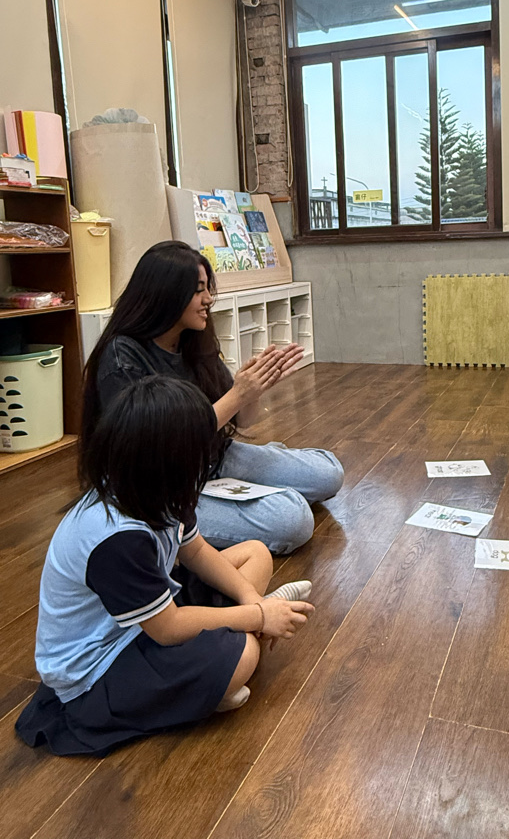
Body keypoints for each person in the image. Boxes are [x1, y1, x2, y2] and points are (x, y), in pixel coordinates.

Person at [16, 377, 315, 756]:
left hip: (143, 620)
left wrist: (253, 600)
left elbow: (197, 552)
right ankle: (204, 689)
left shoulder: (159, 490)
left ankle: (206, 681)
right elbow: (168, 628)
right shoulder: (115, 538)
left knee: (256, 553)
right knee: (244, 654)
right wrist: (258, 616)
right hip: (98, 670)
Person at [81, 241, 344, 555]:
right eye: (198, 290)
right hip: (156, 486)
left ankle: (259, 484)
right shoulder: (122, 357)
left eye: (208, 288)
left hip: (211, 459)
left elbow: (241, 421)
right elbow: (159, 447)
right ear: (166, 293)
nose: (208, 299)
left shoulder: (193, 341)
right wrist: (237, 395)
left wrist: (252, 391)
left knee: (329, 474)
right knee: (293, 519)